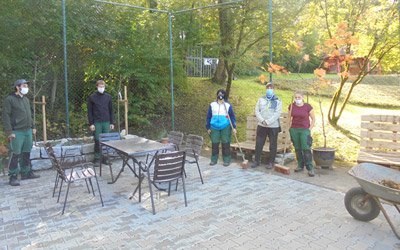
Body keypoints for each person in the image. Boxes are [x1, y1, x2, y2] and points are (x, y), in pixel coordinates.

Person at [2, 79, 40, 186]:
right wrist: (9, 132)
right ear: (17, 87)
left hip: (27, 130)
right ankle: (13, 176)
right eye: (24, 85)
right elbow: (5, 116)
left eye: (26, 86)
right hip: (16, 132)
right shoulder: (9, 99)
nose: (26, 88)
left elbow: (29, 115)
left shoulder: (26, 100)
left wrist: (33, 126)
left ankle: (26, 172)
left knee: (26, 152)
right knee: (15, 153)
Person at [251, 82, 282, 169]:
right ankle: (257, 161)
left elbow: (278, 113)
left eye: (271, 88)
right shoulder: (261, 99)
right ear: (266, 89)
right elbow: (257, 111)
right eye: (268, 87)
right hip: (261, 125)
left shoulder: (278, 100)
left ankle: (271, 162)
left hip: (273, 126)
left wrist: (268, 121)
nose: (269, 89)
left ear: (273, 89)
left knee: (273, 145)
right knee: (259, 143)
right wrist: (262, 120)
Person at [206, 89, 237, 166]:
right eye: (219, 94)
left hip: (225, 126)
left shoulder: (227, 105)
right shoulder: (212, 105)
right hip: (214, 127)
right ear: (217, 95)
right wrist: (208, 127)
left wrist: (234, 127)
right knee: (215, 144)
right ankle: (214, 159)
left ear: (224, 96)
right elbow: (208, 117)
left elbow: (232, 117)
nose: (220, 96)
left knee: (225, 143)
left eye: (222, 94)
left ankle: (226, 160)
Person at [87, 80, 115, 165]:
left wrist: (112, 123)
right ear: (97, 87)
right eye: (100, 86)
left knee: (106, 140)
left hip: (106, 122)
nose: (101, 88)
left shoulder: (108, 97)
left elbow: (111, 110)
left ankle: (105, 158)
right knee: (97, 140)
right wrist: (91, 123)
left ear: (105, 87)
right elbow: (89, 112)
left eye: (103, 86)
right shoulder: (92, 97)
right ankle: (97, 158)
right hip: (97, 122)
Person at [289, 91, 316, 177]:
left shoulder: (307, 107)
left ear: (302, 98)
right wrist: (289, 128)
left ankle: (310, 168)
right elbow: (289, 117)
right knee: (297, 148)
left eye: (299, 97)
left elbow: (313, 119)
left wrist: (309, 129)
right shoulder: (291, 106)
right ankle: (300, 165)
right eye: (296, 98)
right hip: (294, 129)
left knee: (306, 148)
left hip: (304, 130)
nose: (297, 99)